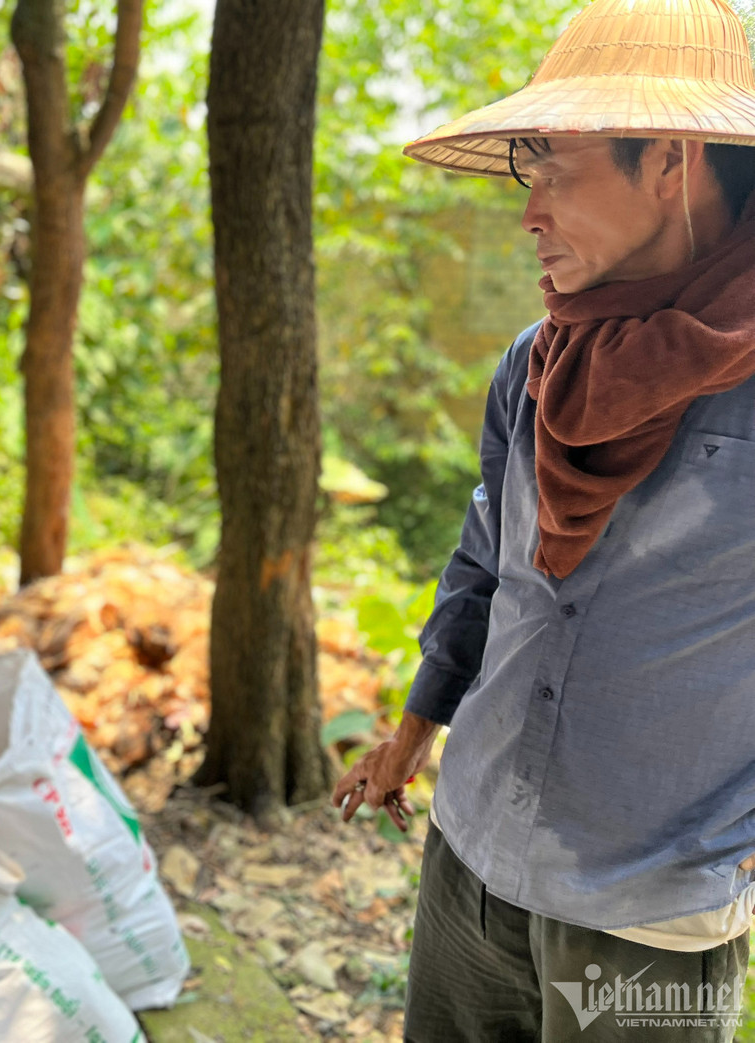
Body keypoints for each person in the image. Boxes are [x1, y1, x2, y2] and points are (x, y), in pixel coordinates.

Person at [330, 1, 755, 1039]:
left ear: (669, 160)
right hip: (470, 852)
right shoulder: (537, 362)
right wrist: (414, 729)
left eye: (552, 167)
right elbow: (486, 562)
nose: (528, 212)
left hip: (646, 909)